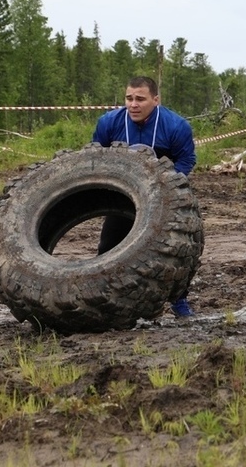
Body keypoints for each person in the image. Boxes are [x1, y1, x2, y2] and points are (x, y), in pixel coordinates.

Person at [92, 75, 197, 317]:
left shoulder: (176, 126)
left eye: (140, 99)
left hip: (165, 194)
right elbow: (95, 156)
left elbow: (187, 159)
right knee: (108, 245)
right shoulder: (109, 122)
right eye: (129, 98)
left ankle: (179, 302)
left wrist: (169, 183)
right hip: (123, 194)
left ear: (156, 100)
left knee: (176, 250)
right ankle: (101, 298)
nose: (133, 104)